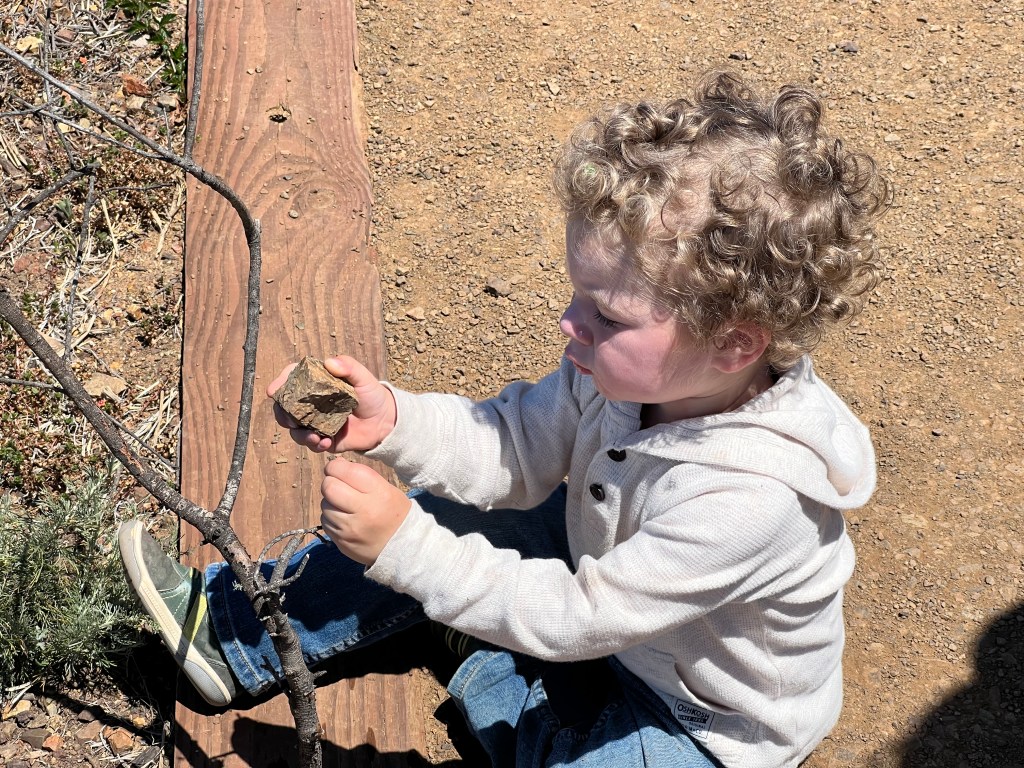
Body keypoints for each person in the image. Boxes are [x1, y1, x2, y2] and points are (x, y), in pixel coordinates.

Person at [118, 71, 891, 768]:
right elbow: (511, 446)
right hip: (603, 577)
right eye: (578, 295)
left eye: (607, 315)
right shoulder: (616, 374)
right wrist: (394, 423)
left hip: (702, 721)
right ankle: (227, 629)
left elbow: (584, 617)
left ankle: (489, 671)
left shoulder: (752, 500)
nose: (570, 322)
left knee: (448, 589)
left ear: (732, 344)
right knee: (445, 513)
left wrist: (409, 553)